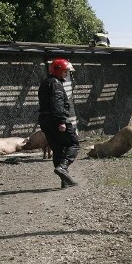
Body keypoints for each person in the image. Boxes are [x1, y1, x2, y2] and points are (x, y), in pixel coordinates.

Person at [38, 58, 80, 188]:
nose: (66, 74)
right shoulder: (56, 84)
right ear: (59, 71)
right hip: (56, 120)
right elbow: (57, 104)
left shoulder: (45, 83)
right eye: (65, 71)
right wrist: (61, 121)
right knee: (74, 144)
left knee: (58, 149)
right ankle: (62, 167)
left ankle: (64, 180)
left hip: (45, 121)